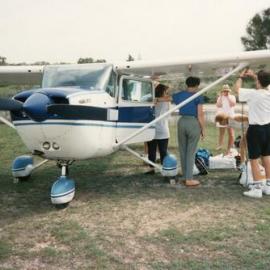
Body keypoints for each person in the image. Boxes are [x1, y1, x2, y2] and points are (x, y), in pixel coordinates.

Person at [235, 69, 270, 198]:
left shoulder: (253, 94)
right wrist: (256, 76)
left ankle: (256, 189)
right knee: (266, 157)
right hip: (268, 128)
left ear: (258, 81)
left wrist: (241, 77)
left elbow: (237, 89)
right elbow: (264, 82)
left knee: (254, 159)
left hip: (256, 130)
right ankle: (268, 186)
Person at [172, 76, 205, 186]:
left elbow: (167, 98)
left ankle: (185, 175)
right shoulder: (198, 96)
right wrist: (203, 129)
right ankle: (189, 179)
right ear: (197, 85)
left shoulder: (179, 95)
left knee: (183, 150)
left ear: (187, 84)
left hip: (181, 122)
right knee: (191, 152)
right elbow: (200, 115)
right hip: (193, 123)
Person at [146, 84, 170, 174]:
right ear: (163, 92)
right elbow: (168, 114)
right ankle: (165, 169)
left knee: (151, 151)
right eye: (166, 92)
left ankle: (151, 169)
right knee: (163, 151)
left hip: (152, 128)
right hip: (163, 129)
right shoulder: (166, 102)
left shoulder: (150, 101)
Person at [215, 84, 236, 154]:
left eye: (227, 91)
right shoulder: (220, 97)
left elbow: (233, 104)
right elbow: (218, 105)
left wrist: (228, 97)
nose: (225, 92)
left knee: (231, 133)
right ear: (222, 91)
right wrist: (221, 96)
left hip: (230, 116)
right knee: (221, 132)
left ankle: (232, 145)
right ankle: (220, 145)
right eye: (224, 91)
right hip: (222, 117)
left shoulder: (232, 97)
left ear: (229, 91)